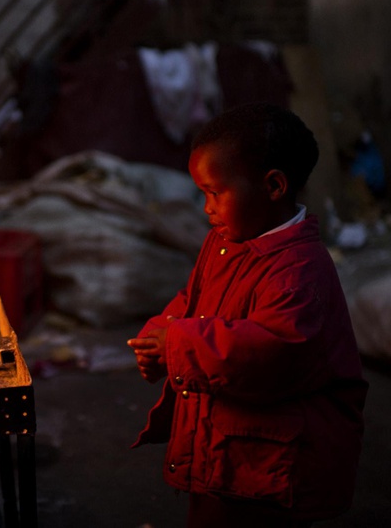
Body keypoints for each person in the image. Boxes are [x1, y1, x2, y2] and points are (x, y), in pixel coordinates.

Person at [128, 103, 368, 528]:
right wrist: (158, 337)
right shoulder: (223, 241)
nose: (207, 209)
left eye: (215, 193)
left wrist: (179, 346)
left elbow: (270, 351)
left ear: (273, 186)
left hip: (272, 464)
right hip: (225, 451)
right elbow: (191, 301)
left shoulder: (300, 269)